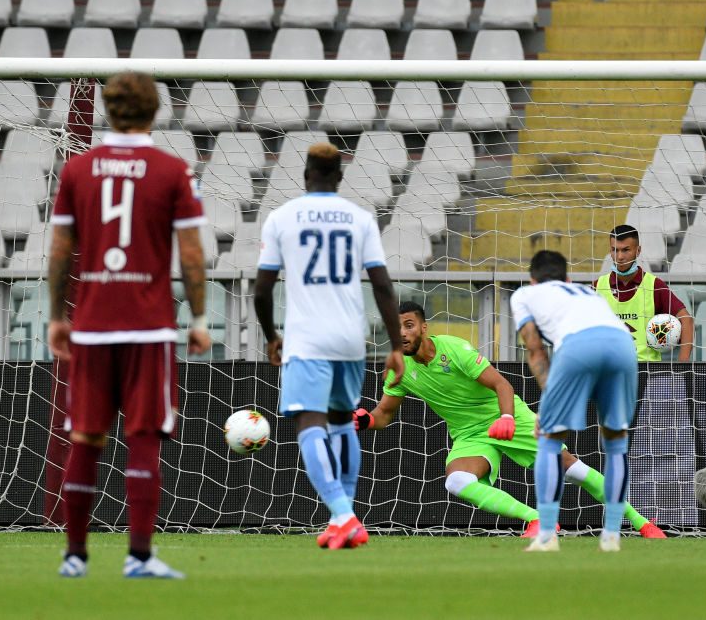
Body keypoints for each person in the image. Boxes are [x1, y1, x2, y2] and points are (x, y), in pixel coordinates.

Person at [48, 71, 211, 579]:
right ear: (154, 110)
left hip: (93, 326)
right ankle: (139, 557)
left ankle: (75, 556)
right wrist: (200, 317)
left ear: (108, 111)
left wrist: (57, 315)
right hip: (149, 328)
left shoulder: (78, 169)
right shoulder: (173, 171)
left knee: (86, 439)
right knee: (143, 438)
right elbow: (192, 256)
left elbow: (59, 250)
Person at [353, 301, 665, 540]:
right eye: (398, 329)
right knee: (457, 481)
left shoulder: (455, 350)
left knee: (574, 471)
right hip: (470, 436)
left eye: (409, 325)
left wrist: (506, 417)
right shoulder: (399, 370)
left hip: (510, 416)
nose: (403, 333)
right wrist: (365, 420)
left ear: (423, 328)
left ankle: (643, 523)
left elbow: (502, 384)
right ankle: (537, 518)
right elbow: (385, 413)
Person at [253, 142, 404, 550]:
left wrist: (271, 336)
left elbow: (263, 289)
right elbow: (383, 284)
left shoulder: (282, 217)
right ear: (339, 177)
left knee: (309, 425)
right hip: (350, 339)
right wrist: (394, 344)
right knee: (342, 422)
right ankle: (345, 518)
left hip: (308, 339)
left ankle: (342, 514)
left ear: (305, 175)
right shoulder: (360, 218)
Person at [514, 250, 639, 552]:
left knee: (549, 439)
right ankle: (611, 536)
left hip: (577, 345)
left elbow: (535, 349)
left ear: (533, 280)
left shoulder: (524, 295)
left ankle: (546, 536)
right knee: (616, 442)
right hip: (623, 345)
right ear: (567, 278)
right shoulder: (586, 291)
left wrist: (548, 404)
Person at [596, 224, 694, 361]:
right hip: (609, 370)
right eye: (614, 250)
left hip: (647, 372)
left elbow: (686, 320)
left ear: (638, 251)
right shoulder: (597, 286)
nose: (619, 257)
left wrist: (682, 368)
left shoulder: (654, 285)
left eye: (626, 250)